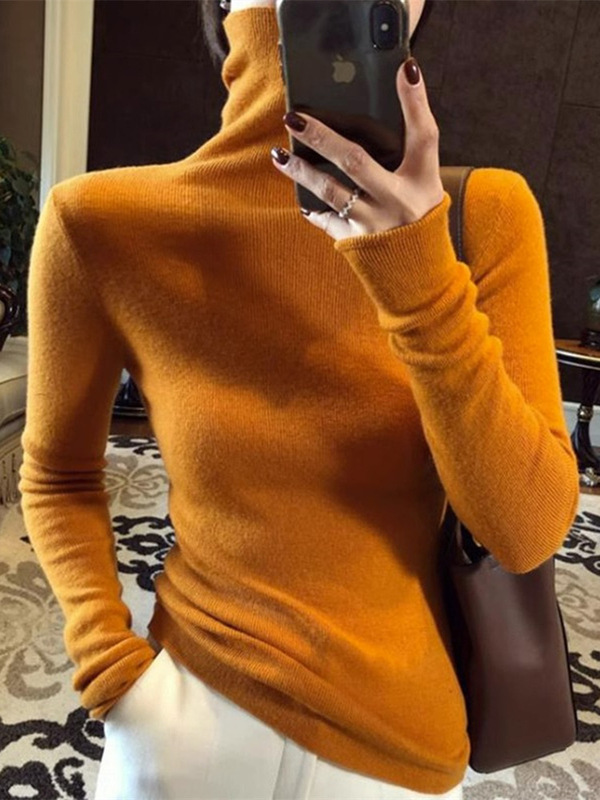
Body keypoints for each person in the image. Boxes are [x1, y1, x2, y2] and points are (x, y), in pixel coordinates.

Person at [18, 0, 580, 796]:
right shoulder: (100, 224)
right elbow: (58, 476)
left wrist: (418, 274)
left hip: (403, 748)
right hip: (185, 720)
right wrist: (112, 669)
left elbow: (526, 533)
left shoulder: (484, 217)